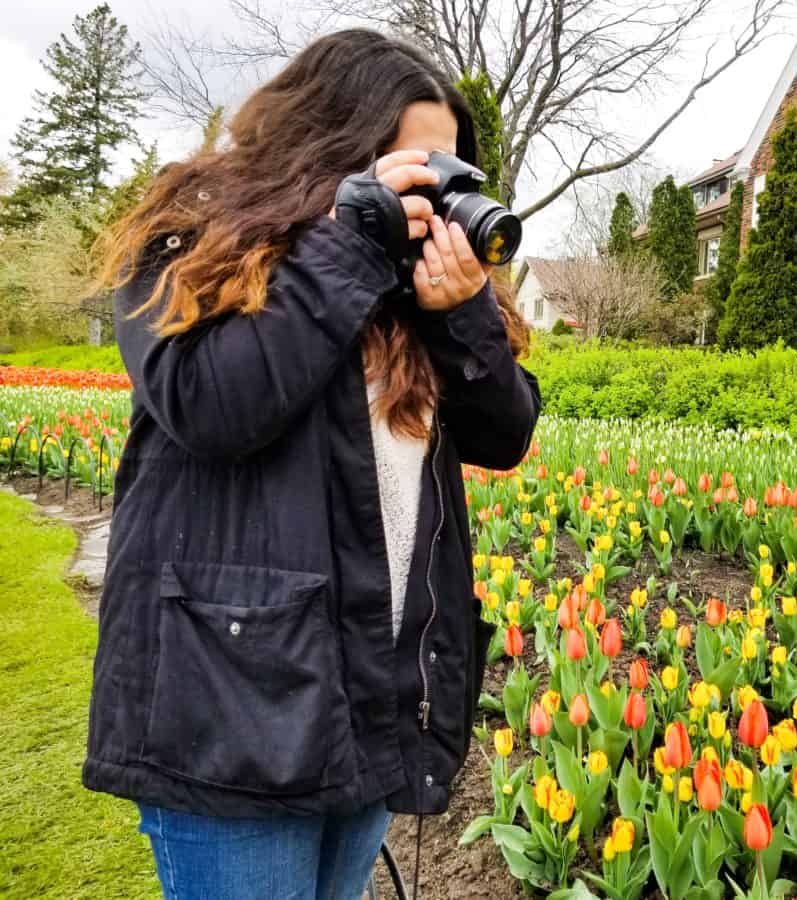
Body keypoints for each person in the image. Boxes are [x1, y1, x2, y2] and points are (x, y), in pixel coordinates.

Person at [85, 29, 540, 900]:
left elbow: (505, 436)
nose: (433, 193)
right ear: (332, 147)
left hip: (370, 697)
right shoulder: (189, 235)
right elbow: (213, 407)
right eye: (413, 165)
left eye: (449, 170)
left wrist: (463, 313)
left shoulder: (409, 285)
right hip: (234, 709)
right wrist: (346, 246)